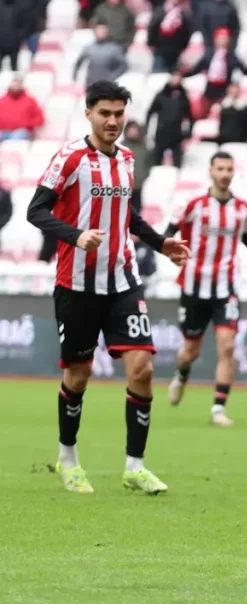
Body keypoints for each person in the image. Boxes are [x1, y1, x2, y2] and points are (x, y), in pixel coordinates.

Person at [25, 81, 191, 494]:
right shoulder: (70, 158)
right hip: (77, 285)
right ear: (89, 114)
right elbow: (35, 210)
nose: (113, 121)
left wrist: (160, 243)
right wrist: (74, 235)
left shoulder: (129, 160)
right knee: (78, 375)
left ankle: (134, 467)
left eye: (119, 113)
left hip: (122, 282)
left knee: (143, 369)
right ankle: (68, 460)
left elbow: (127, 214)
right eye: (105, 113)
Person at [166, 152, 247, 426]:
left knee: (227, 346)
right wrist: (172, 252)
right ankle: (182, 373)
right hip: (194, 286)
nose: (225, 173)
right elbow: (169, 233)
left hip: (226, 286)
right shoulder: (193, 205)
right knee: (190, 351)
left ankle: (218, 409)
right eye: (220, 168)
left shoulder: (242, 210)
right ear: (210, 171)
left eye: (229, 168)